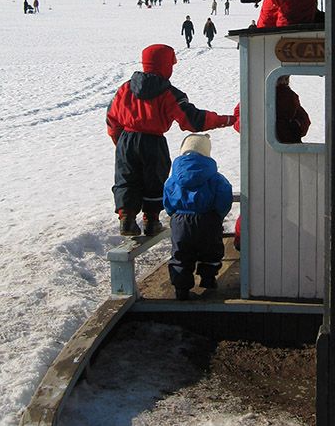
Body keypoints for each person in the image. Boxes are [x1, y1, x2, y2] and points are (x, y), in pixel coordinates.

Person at [106, 44, 236, 237]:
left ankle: (127, 219)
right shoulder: (168, 92)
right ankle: (151, 221)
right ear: (166, 65)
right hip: (153, 142)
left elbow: (112, 117)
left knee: (126, 178)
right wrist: (227, 120)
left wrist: (120, 143)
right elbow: (193, 120)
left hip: (127, 139)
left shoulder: (125, 88)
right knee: (155, 179)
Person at [232, 76, 310, 250]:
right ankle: (286, 236)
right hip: (290, 157)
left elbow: (239, 120)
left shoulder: (253, 94)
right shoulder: (289, 96)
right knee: (289, 198)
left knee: (254, 198)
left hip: (258, 156)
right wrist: (293, 128)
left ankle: (242, 237)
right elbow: (305, 123)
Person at [163, 133, 233, 300]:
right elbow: (224, 197)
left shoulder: (173, 179)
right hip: (208, 219)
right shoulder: (215, 177)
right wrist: (218, 215)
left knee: (181, 254)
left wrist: (174, 214)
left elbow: (168, 200)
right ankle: (208, 278)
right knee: (211, 250)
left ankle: (181, 289)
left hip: (181, 220)